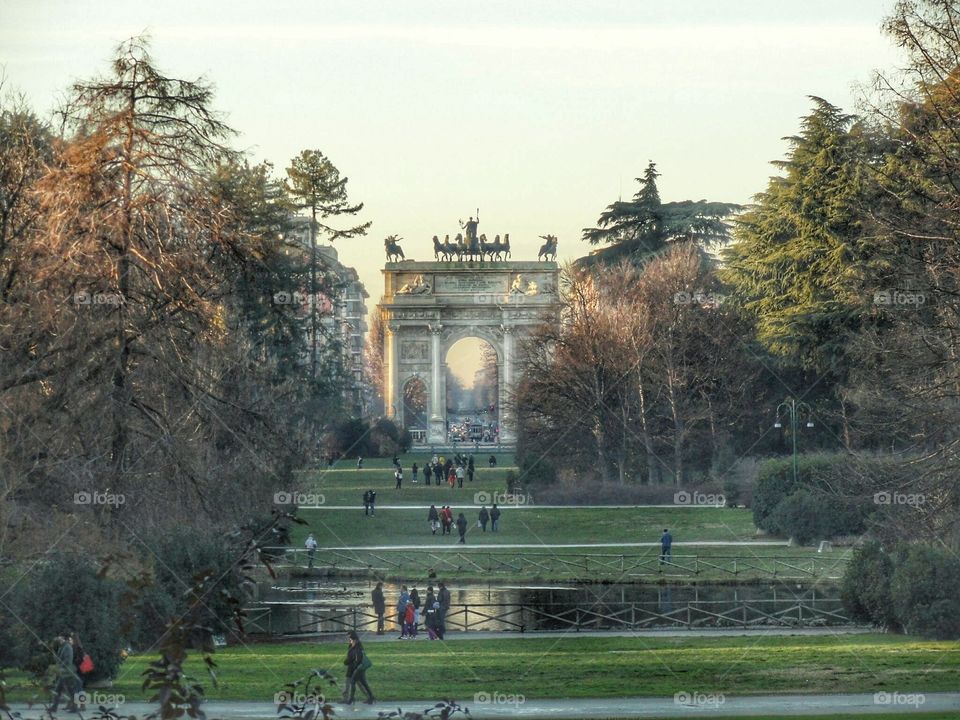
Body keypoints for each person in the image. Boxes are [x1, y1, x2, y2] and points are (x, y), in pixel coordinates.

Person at [342, 631, 374, 705]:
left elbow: (355, 658)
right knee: (349, 683)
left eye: (349, 638)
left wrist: (346, 662)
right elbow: (350, 656)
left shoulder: (358, 647)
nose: (348, 640)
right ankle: (347, 698)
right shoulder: (351, 645)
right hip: (352, 668)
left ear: (354, 639)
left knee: (360, 684)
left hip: (357, 668)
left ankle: (367, 697)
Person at [50, 634, 78, 713]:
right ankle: (54, 707)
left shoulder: (67, 647)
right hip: (63, 673)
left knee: (69, 691)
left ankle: (74, 708)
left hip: (66, 672)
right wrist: (53, 652)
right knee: (58, 690)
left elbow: (67, 661)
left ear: (63, 638)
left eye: (59, 637)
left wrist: (60, 667)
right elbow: (59, 659)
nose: (57, 638)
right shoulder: (62, 647)